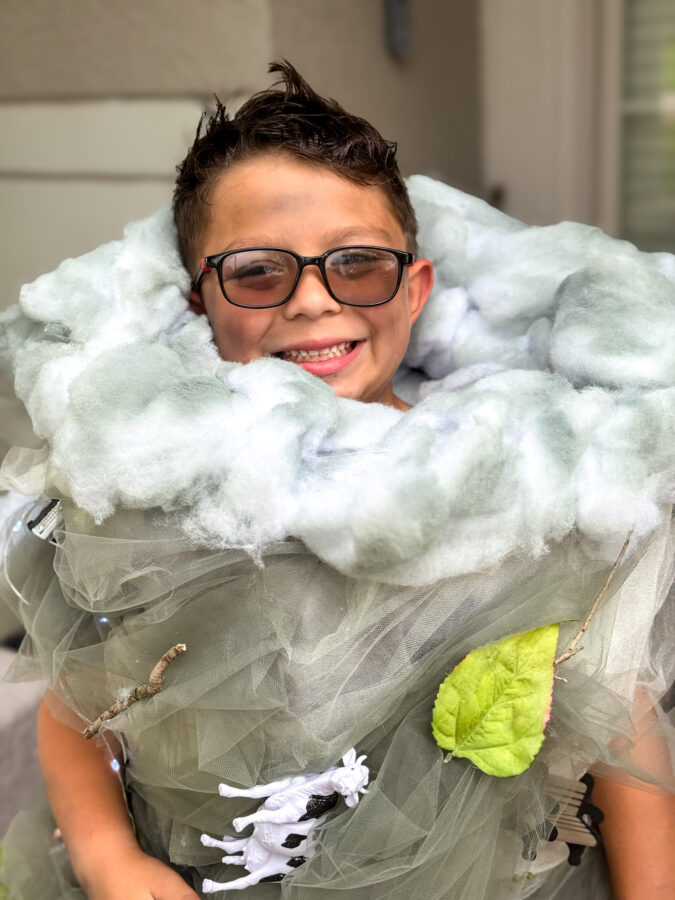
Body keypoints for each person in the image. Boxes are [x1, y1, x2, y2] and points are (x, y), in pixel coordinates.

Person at [1, 62, 673, 900]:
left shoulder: (511, 475)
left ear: (415, 288)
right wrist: (109, 856)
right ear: (197, 302)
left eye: (356, 265)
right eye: (257, 271)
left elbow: (617, 710)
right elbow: (80, 699)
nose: (315, 300)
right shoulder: (163, 489)